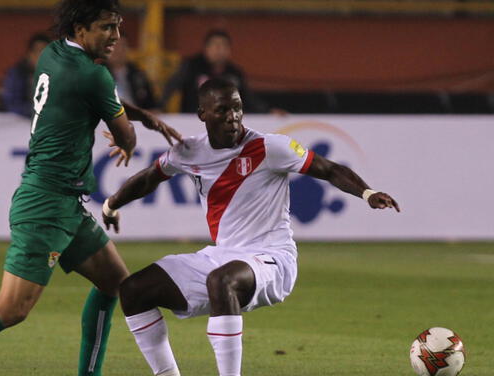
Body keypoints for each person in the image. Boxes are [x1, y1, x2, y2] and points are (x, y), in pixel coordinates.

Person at [0, 1, 181, 375]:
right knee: (10, 309)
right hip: (46, 204)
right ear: (80, 29)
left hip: (63, 202)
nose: (116, 37)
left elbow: (99, 97)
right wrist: (133, 133)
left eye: (118, 27)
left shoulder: (52, 54)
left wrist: (144, 116)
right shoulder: (95, 75)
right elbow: (124, 134)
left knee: (116, 284)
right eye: (107, 27)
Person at [102, 78, 399, 376]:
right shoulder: (188, 151)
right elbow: (148, 178)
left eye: (237, 108)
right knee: (133, 290)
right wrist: (110, 205)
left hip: (272, 258)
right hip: (223, 256)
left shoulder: (270, 147)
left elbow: (329, 169)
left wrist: (367, 193)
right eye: (222, 110)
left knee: (222, 280)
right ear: (203, 114)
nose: (232, 117)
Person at [160, 29, 268, 114]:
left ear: (229, 50)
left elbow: (248, 98)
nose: (219, 50)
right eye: (215, 46)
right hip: (193, 122)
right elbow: (171, 86)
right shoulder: (191, 66)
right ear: (206, 49)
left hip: (224, 124)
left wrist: (267, 112)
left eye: (223, 46)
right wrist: (159, 107)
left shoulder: (235, 73)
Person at [2, 32, 52, 118]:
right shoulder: (18, 74)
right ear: (29, 54)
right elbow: (12, 104)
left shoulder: (58, 74)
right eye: (38, 51)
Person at [105, 36, 158, 110]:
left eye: (121, 46)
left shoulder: (138, 75)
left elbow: (151, 104)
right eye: (113, 46)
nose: (117, 50)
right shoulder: (98, 74)